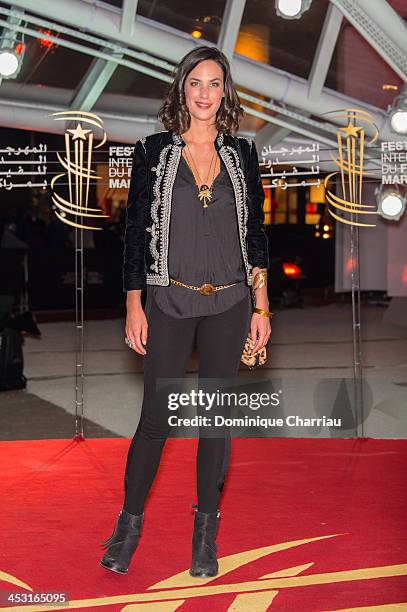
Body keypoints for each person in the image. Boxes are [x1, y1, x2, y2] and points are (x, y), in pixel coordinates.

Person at [100, 45, 271, 578]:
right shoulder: (153, 151)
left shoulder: (242, 153)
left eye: (214, 83)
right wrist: (134, 301)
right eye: (194, 82)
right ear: (182, 89)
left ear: (225, 92)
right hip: (168, 300)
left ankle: (205, 536)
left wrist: (262, 306)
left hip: (230, 302)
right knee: (156, 419)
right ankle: (127, 526)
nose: (203, 93)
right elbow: (133, 234)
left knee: (215, 422)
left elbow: (256, 236)